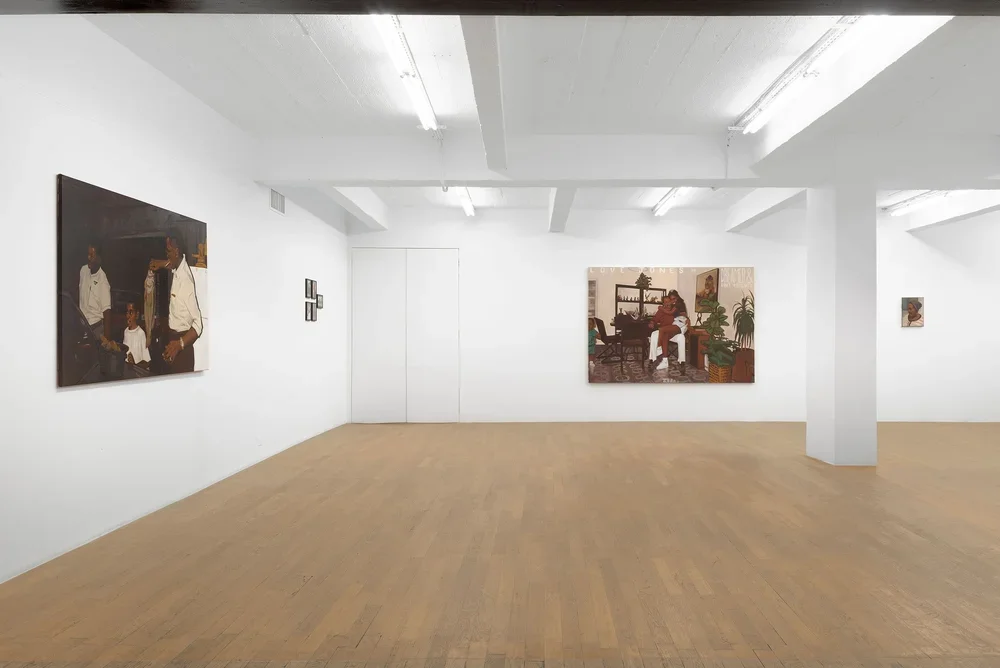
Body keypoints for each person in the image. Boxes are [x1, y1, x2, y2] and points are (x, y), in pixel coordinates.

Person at [149, 231, 203, 373]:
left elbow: (198, 325)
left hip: (183, 345)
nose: (166, 254)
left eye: (168, 251)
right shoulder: (178, 267)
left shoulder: (185, 281)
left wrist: (179, 344)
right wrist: (160, 264)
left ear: (177, 251)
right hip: (173, 340)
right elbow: (171, 264)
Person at [648, 291, 689, 372]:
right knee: (654, 334)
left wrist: (688, 319)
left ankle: (682, 362)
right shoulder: (661, 311)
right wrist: (652, 322)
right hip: (665, 331)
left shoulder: (674, 310)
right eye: (666, 302)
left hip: (673, 331)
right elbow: (655, 319)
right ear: (663, 303)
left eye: (669, 301)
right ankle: (653, 359)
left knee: (681, 337)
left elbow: (682, 317)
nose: (668, 303)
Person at [79, 241, 111, 341]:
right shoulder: (83, 271)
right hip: (82, 327)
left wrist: (106, 340)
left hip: (96, 329)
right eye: (88, 254)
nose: (88, 257)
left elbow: (107, 313)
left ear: (99, 258)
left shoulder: (102, 280)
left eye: (92, 255)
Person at [122, 302, 150, 368]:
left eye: (131, 312)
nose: (128, 316)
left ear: (137, 315)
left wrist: (134, 365)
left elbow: (147, 362)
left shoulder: (141, 333)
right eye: (127, 312)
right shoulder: (125, 332)